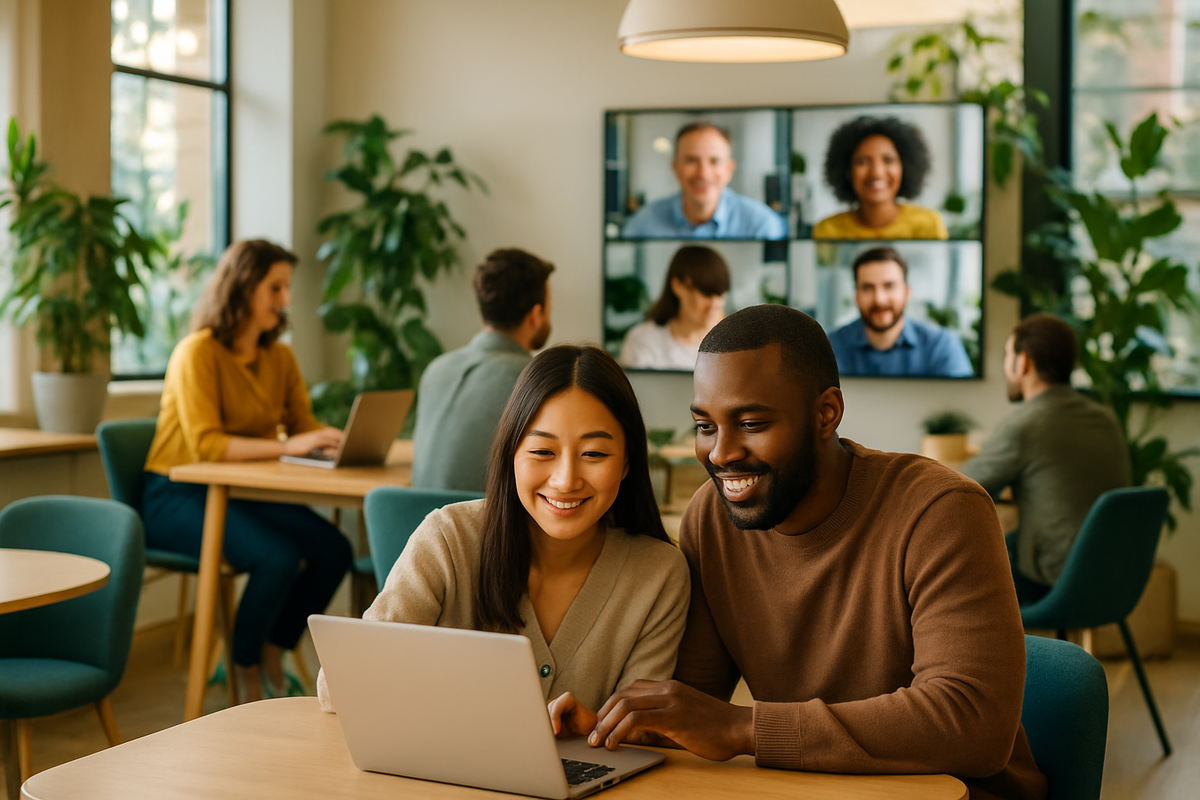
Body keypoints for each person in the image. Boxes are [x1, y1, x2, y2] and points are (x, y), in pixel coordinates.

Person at [557, 305, 1046, 800]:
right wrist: (612, 728)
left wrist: (743, 730)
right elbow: (698, 708)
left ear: (825, 413)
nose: (721, 453)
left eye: (750, 422)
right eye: (705, 426)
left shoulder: (941, 511)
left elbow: (974, 726)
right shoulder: (712, 518)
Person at [319, 345, 690, 716]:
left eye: (593, 454)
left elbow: (640, 735)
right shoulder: (448, 539)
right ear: (511, 453)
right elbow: (339, 687)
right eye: (543, 452)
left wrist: (593, 727)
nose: (565, 481)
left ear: (626, 463)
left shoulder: (658, 575)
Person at [142, 239, 354, 702]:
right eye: (275, 287)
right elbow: (207, 445)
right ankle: (242, 666)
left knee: (333, 549)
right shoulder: (196, 353)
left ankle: (273, 644)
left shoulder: (279, 357)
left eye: (287, 288)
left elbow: (302, 426)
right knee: (275, 557)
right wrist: (288, 445)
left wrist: (328, 438)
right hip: (175, 495)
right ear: (241, 288)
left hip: (239, 491)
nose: (286, 299)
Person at [961, 314, 1130, 591]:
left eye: (1007, 355)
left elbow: (959, 490)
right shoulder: (1105, 418)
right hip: (1114, 572)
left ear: (1023, 362)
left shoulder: (1025, 425)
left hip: (1057, 576)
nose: (1005, 366)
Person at [411, 248, 554, 492]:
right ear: (536, 315)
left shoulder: (436, 369)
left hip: (418, 526)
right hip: (480, 527)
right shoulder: (537, 380)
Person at [622, 123, 787, 240]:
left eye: (714, 161)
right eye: (691, 160)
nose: (703, 173)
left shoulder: (762, 225)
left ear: (729, 170)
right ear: (675, 167)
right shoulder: (642, 224)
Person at [828, 247, 974, 377]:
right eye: (867, 288)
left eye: (889, 286)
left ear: (907, 292)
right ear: (856, 296)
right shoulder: (829, 348)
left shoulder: (941, 348)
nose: (879, 299)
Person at [813, 116, 949, 240]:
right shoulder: (828, 230)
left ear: (906, 167)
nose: (876, 173)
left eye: (888, 160)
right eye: (863, 161)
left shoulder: (928, 224)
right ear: (847, 170)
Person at [618, 245, 730, 371]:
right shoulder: (643, 340)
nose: (715, 304)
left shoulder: (734, 345)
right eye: (706, 293)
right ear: (678, 286)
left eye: (720, 294)